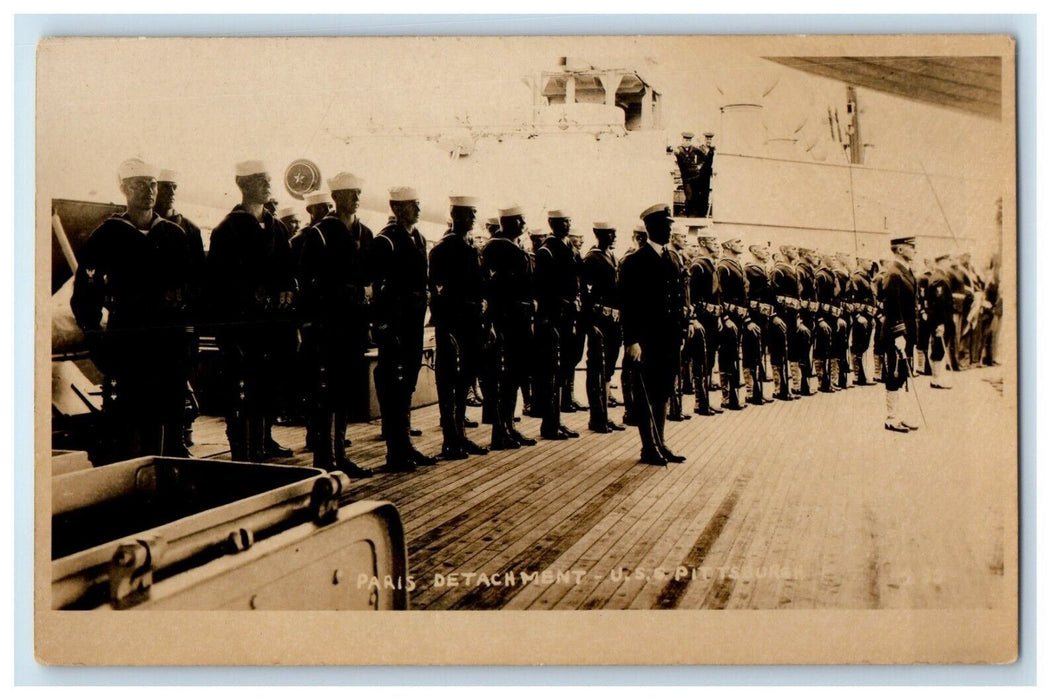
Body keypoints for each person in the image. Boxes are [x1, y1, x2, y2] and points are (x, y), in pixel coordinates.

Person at [71, 158, 197, 463]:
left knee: (168, 413)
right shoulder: (107, 235)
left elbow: (192, 291)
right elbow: (85, 295)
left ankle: (167, 475)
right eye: (139, 185)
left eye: (152, 184)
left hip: (167, 343)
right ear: (123, 189)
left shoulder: (173, 235)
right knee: (129, 417)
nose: (148, 191)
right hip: (128, 343)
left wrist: (187, 337)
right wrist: (96, 341)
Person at [205, 160, 296, 462]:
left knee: (269, 390)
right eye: (260, 179)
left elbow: (288, 272)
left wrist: (288, 290)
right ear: (242, 184)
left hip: (274, 329)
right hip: (242, 331)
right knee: (242, 394)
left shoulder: (278, 228)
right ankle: (243, 454)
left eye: (268, 178)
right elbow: (217, 286)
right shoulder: (226, 230)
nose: (267, 184)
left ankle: (261, 446)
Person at [297, 172, 374, 477]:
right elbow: (308, 282)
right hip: (328, 326)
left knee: (345, 391)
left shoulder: (365, 233)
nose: (355, 197)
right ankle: (323, 455)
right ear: (336, 198)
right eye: (348, 193)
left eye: (357, 192)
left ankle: (339, 453)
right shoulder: (320, 234)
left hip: (354, 325)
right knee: (325, 391)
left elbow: (369, 276)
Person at [371, 186, 438, 472]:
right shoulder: (386, 240)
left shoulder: (419, 238)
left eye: (419, 203)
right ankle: (395, 451)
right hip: (395, 326)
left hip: (413, 324)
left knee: (407, 382)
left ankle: (405, 444)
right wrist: (383, 324)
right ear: (396, 208)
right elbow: (375, 286)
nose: (418, 209)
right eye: (412, 205)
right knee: (393, 383)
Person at [618, 203, 687, 466]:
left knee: (664, 392)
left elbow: (678, 298)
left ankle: (661, 441)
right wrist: (632, 340)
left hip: (668, 338)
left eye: (670, 226)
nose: (669, 230)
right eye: (665, 226)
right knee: (646, 392)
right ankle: (648, 447)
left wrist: (681, 330)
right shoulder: (635, 262)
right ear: (651, 228)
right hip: (646, 340)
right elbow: (628, 304)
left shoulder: (672, 258)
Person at [428, 195, 491, 460]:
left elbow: (480, 285)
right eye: (468, 213)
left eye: (474, 213)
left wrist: (483, 305)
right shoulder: (443, 249)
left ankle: (461, 436)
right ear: (455, 216)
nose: (473, 218)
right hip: (452, 327)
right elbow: (439, 293)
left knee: (465, 380)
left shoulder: (472, 248)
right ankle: (450, 440)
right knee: (449, 382)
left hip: (471, 327)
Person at [154, 168, 205, 453]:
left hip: (181, 321)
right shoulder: (145, 230)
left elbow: (199, 278)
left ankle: (177, 440)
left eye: (173, 187)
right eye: (164, 187)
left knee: (179, 380)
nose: (169, 192)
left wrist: (187, 302)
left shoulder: (191, 230)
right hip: (153, 320)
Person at [481, 205, 538, 450]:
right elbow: (495, 287)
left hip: (519, 320)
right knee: (504, 377)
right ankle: (499, 431)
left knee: (514, 375)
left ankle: (508, 427)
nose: (524, 225)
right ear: (508, 222)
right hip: (506, 322)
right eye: (520, 220)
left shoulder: (510, 246)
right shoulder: (498, 248)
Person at [533, 209, 581, 440]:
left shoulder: (568, 247)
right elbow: (543, 289)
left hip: (566, 317)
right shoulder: (547, 251)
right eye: (562, 221)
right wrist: (564, 302)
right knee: (551, 371)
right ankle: (549, 424)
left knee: (562, 370)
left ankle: (556, 421)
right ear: (551, 223)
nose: (567, 225)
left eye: (569, 220)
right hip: (552, 318)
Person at [581, 221, 625, 433]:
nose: (613, 237)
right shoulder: (592, 258)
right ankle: (597, 417)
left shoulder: (612, 256)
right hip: (600, 321)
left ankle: (605, 415)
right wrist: (590, 324)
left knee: (607, 370)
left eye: (614, 233)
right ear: (598, 234)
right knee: (597, 367)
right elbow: (585, 294)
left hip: (614, 321)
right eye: (609, 233)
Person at [878, 235, 921, 433]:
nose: (915, 250)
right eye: (911, 247)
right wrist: (898, 335)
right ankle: (891, 418)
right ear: (900, 250)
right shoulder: (893, 273)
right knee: (894, 373)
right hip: (897, 334)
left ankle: (899, 415)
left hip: (906, 332)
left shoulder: (905, 271)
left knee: (902, 373)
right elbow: (892, 307)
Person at [687, 235, 726, 415]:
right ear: (702, 243)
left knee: (709, 360)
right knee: (700, 361)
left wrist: (718, 317)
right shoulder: (698, 266)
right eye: (713, 242)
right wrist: (693, 319)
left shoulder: (711, 264)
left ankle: (705, 401)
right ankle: (700, 402)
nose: (717, 245)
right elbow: (691, 297)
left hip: (712, 320)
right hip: (701, 319)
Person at [923, 255, 956, 389]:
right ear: (941, 262)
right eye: (948, 261)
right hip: (940, 320)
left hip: (938, 320)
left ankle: (936, 378)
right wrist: (941, 323)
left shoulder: (937, 276)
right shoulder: (939, 279)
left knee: (938, 348)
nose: (949, 263)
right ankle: (936, 379)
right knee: (939, 349)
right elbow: (940, 304)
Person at [847, 257, 880, 385]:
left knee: (864, 345)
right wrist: (857, 316)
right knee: (858, 346)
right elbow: (852, 299)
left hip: (868, 317)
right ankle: (857, 376)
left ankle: (861, 375)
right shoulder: (857, 277)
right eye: (868, 261)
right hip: (861, 318)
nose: (871, 263)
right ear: (860, 261)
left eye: (872, 261)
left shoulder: (866, 277)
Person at [674, 132, 706, 217]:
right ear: (682, 140)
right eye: (686, 140)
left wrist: (700, 165)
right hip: (686, 178)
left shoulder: (694, 149)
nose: (687, 142)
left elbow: (704, 156)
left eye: (689, 140)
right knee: (689, 196)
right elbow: (673, 153)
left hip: (695, 176)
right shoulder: (678, 149)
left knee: (696, 195)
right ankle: (687, 214)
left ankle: (695, 214)